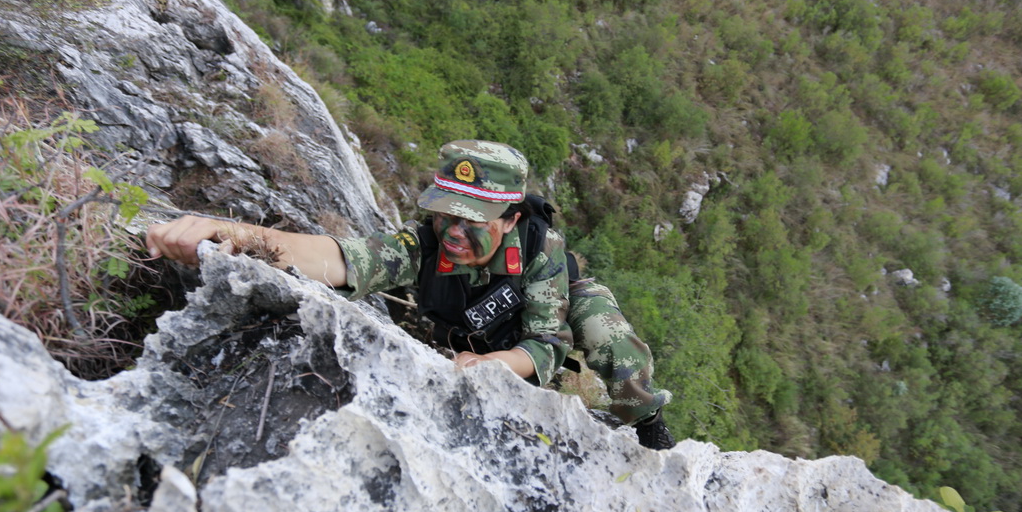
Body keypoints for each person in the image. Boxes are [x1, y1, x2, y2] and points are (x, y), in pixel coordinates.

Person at [146, 140, 675, 449]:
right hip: (473, 328)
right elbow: (341, 258)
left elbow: (547, 344)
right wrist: (238, 238)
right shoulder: (421, 246)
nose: (453, 234)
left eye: (473, 223)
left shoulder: (540, 249)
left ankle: (649, 421)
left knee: (612, 343)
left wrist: (492, 364)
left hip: (554, 307)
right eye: (444, 216)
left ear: (511, 219)